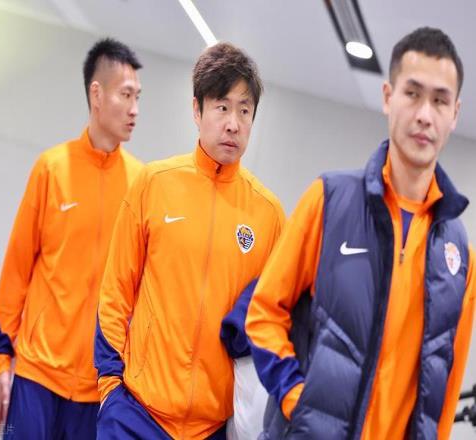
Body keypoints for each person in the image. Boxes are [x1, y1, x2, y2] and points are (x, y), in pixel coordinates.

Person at [246, 26, 475, 439]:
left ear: (455, 113)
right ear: (388, 97)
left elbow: (447, 383)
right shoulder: (330, 200)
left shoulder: (459, 254)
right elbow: (264, 313)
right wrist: (297, 400)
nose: (425, 114)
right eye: (412, 93)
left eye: (440, 100)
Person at [95, 42, 285, 439]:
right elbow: (115, 293)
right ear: (197, 110)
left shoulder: (269, 215)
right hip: (135, 414)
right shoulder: (153, 184)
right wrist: (110, 388)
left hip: (210, 428)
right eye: (222, 107)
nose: (233, 123)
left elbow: (277, 320)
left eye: (244, 110)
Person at [0, 38, 143, 439]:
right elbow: (17, 267)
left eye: (138, 97)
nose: (135, 109)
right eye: (126, 95)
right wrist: (3, 357)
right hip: (37, 375)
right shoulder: (51, 169)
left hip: (98, 386)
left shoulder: (140, 185)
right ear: (97, 94)